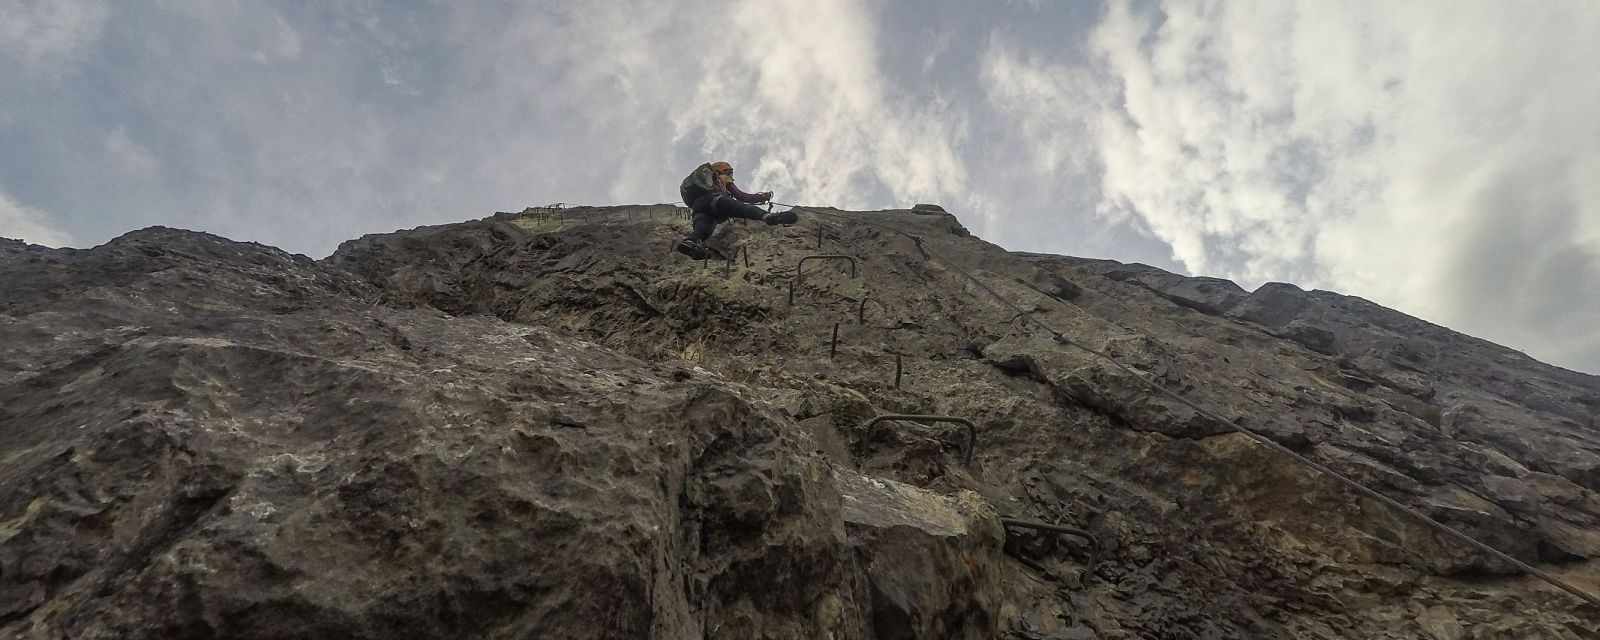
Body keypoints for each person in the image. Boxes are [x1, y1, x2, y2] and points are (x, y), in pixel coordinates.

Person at [676, 161, 797, 259]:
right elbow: (742, 196)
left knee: (703, 229)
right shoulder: (723, 178)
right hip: (715, 201)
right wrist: (762, 197)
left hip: (698, 207)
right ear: (724, 170)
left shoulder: (703, 180)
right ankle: (767, 216)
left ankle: (691, 242)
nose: (731, 177)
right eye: (730, 173)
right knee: (740, 207)